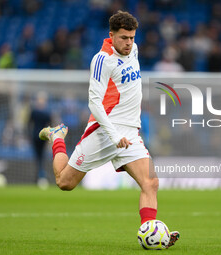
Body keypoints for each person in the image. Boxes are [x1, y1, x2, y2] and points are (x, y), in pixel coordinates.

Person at [39, 11, 179, 248]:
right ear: (111, 35)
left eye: (132, 37)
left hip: (130, 133)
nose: (128, 43)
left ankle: (152, 232)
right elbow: (94, 102)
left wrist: (124, 132)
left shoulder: (133, 50)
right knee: (65, 182)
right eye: (124, 37)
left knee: (151, 182)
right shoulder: (102, 60)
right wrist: (114, 135)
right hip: (104, 132)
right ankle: (57, 136)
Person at [29, 91, 52, 187]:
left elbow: (49, 126)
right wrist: (29, 135)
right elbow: (29, 124)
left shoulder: (46, 112)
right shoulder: (34, 112)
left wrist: (49, 138)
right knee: (38, 158)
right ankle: (39, 176)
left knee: (41, 158)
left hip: (43, 138)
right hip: (35, 137)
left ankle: (41, 176)